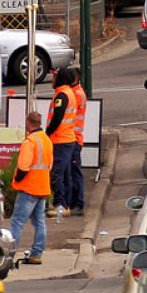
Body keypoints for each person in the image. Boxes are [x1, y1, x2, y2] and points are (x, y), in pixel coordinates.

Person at [10, 111, 54, 265]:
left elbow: (23, 167)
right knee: (39, 221)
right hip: (43, 186)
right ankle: (37, 254)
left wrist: (15, 179)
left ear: (28, 123)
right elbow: (49, 165)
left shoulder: (30, 141)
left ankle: (9, 254)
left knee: (17, 221)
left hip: (29, 188)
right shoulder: (46, 140)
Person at [45, 67, 87, 217]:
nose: (52, 79)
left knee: (59, 173)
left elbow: (57, 118)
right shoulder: (70, 93)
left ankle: (63, 204)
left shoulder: (65, 95)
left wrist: (47, 133)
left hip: (62, 138)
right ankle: (67, 204)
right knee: (67, 173)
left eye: (54, 77)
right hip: (69, 137)